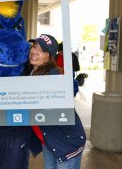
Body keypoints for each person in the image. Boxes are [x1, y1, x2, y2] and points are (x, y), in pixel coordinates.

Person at [27, 34, 86, 169]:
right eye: (34, 47)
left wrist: (69, 86)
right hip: (50, 139)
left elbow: (68, 88)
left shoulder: (53, 75)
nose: (35, 52)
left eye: (41, 50)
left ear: (50, 56)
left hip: (68, 142)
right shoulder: (32, 73)